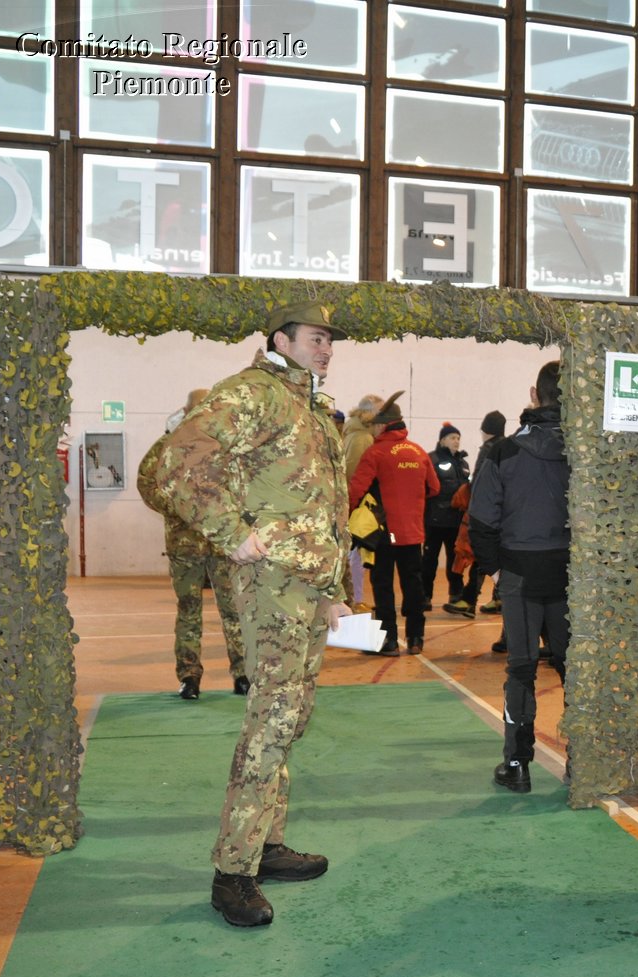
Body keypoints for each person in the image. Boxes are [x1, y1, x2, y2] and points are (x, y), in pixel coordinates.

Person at [150, 300, 354, 929]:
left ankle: (265, 845)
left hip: (304, 587)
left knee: (289, 719)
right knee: (271, 722)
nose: (326, 348)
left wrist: (331, 588)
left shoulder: (309, 403)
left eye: (329, 340)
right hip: (269, 586)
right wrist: (226, 529)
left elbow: (323, 505)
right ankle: (233, 871)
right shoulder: (253, 394)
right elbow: (168, 465)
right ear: (281, 339)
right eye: (316, 338)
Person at [469, 362, 569, 794]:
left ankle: (517, 763)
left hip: (519, 575)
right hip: (572, 579)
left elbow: (480, 519)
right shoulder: (592, 453)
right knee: (574, 669)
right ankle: (583, 764)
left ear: (535, 394)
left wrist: (495, 569)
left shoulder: (502, 451)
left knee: (522, 669)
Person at [137, 388, 249, 700]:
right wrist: (177, 505)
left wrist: (229, 512)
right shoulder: (168, 445)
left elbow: (244, 484)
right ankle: (189, 677)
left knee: (233, 609)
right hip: (185, 544)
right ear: (187, 411)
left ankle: (242, 675)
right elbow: (146, 483)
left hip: (223, 543)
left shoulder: (225, 444)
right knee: (189, 610)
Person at [348, 392, 439, 655]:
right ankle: (416, 638)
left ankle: (388, 641)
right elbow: (434, 487)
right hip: (413, 533)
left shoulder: (376, 453)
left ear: (381, 425)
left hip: (384, 534)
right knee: (413, 584)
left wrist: (346, 515)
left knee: (383, 583)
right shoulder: (419, 451)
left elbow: (356, 490)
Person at [446, 410, 507, 620]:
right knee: (499, 556)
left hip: (485, 512)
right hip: (503, 512)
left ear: (485, 430)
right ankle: (498, 598)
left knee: (479, 553)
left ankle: (469, 600)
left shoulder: (488, 449)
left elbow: (480, 481)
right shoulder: (508, 447)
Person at [342, 393, 385, 612]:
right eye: (381, 411)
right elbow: (355, 472)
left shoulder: (354, 433)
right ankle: (356, 599)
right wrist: (354, 503)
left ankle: (354, 597)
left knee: (354, 553)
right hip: (359, 503)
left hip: (355, 501)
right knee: (358, 553)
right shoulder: (363, 438)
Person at [424, 423, 471, 612]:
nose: (456, 441)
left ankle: (456, 595)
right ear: (442, 440)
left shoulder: (463, 463)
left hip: (456, 522)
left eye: (458, 438)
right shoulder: (432, 459)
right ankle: (425, 596)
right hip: (434, 520)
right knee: (429, 560)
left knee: (455, 560)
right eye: (452, 437)